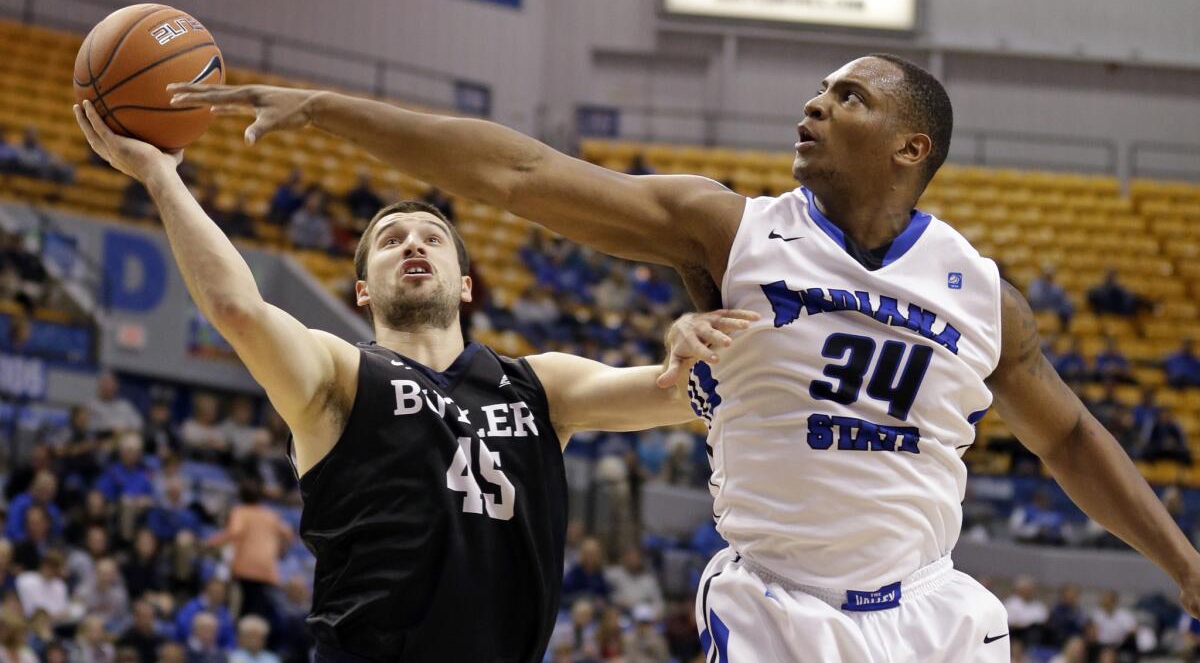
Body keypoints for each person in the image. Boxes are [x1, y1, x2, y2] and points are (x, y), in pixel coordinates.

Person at [172, 55, 1200, 661]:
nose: (813, 105)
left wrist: (1188, 573)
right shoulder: (729, 230)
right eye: (818, 91)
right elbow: (520, 173)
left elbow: (1067, 436)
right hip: (779, 610)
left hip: (933, 610)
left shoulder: (982, 292)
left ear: (910, 148)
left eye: (847, 96)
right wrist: (327, 108)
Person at [75, 100, 742, 662]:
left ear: (467, 283)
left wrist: (690, 337)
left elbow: (680, 392)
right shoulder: (341, 373)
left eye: (433, 236)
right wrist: (161, 177)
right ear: (363, 289)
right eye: (391, 239)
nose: (414, 243)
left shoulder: (541, 385)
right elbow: (236, 309)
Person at [203, 479, 292, 623]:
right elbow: (288, 534)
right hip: (267, 569)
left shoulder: (240, 512)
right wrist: (280, 550)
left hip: (246, 568)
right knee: (258, 609)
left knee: (244, 608)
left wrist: (211, 543)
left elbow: (235, 531)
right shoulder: (270, 515)